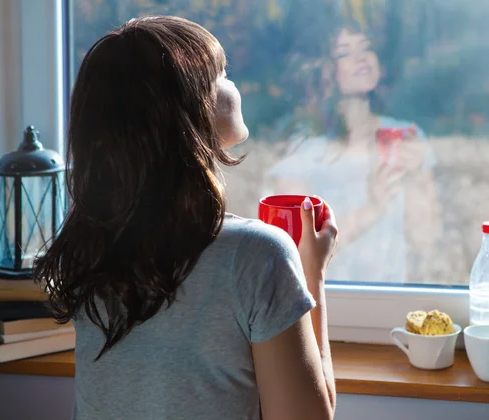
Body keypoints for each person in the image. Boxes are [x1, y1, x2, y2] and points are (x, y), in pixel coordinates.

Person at [34, 16, 338, 420]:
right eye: (223, 75)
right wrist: (311, 273)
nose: (235, 85)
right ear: (192, 108)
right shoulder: (256, 256)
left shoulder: (92, 248)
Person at [266, 21, 441, 284]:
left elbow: (425, 243)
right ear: (324, 71)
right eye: (344, 52)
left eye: (366, 47)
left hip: (393, 296)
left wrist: (417, 180)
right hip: (327, 306)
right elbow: (293, 255)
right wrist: (372, 208)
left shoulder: (407, 137)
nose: (361, 57)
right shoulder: (305, 150)